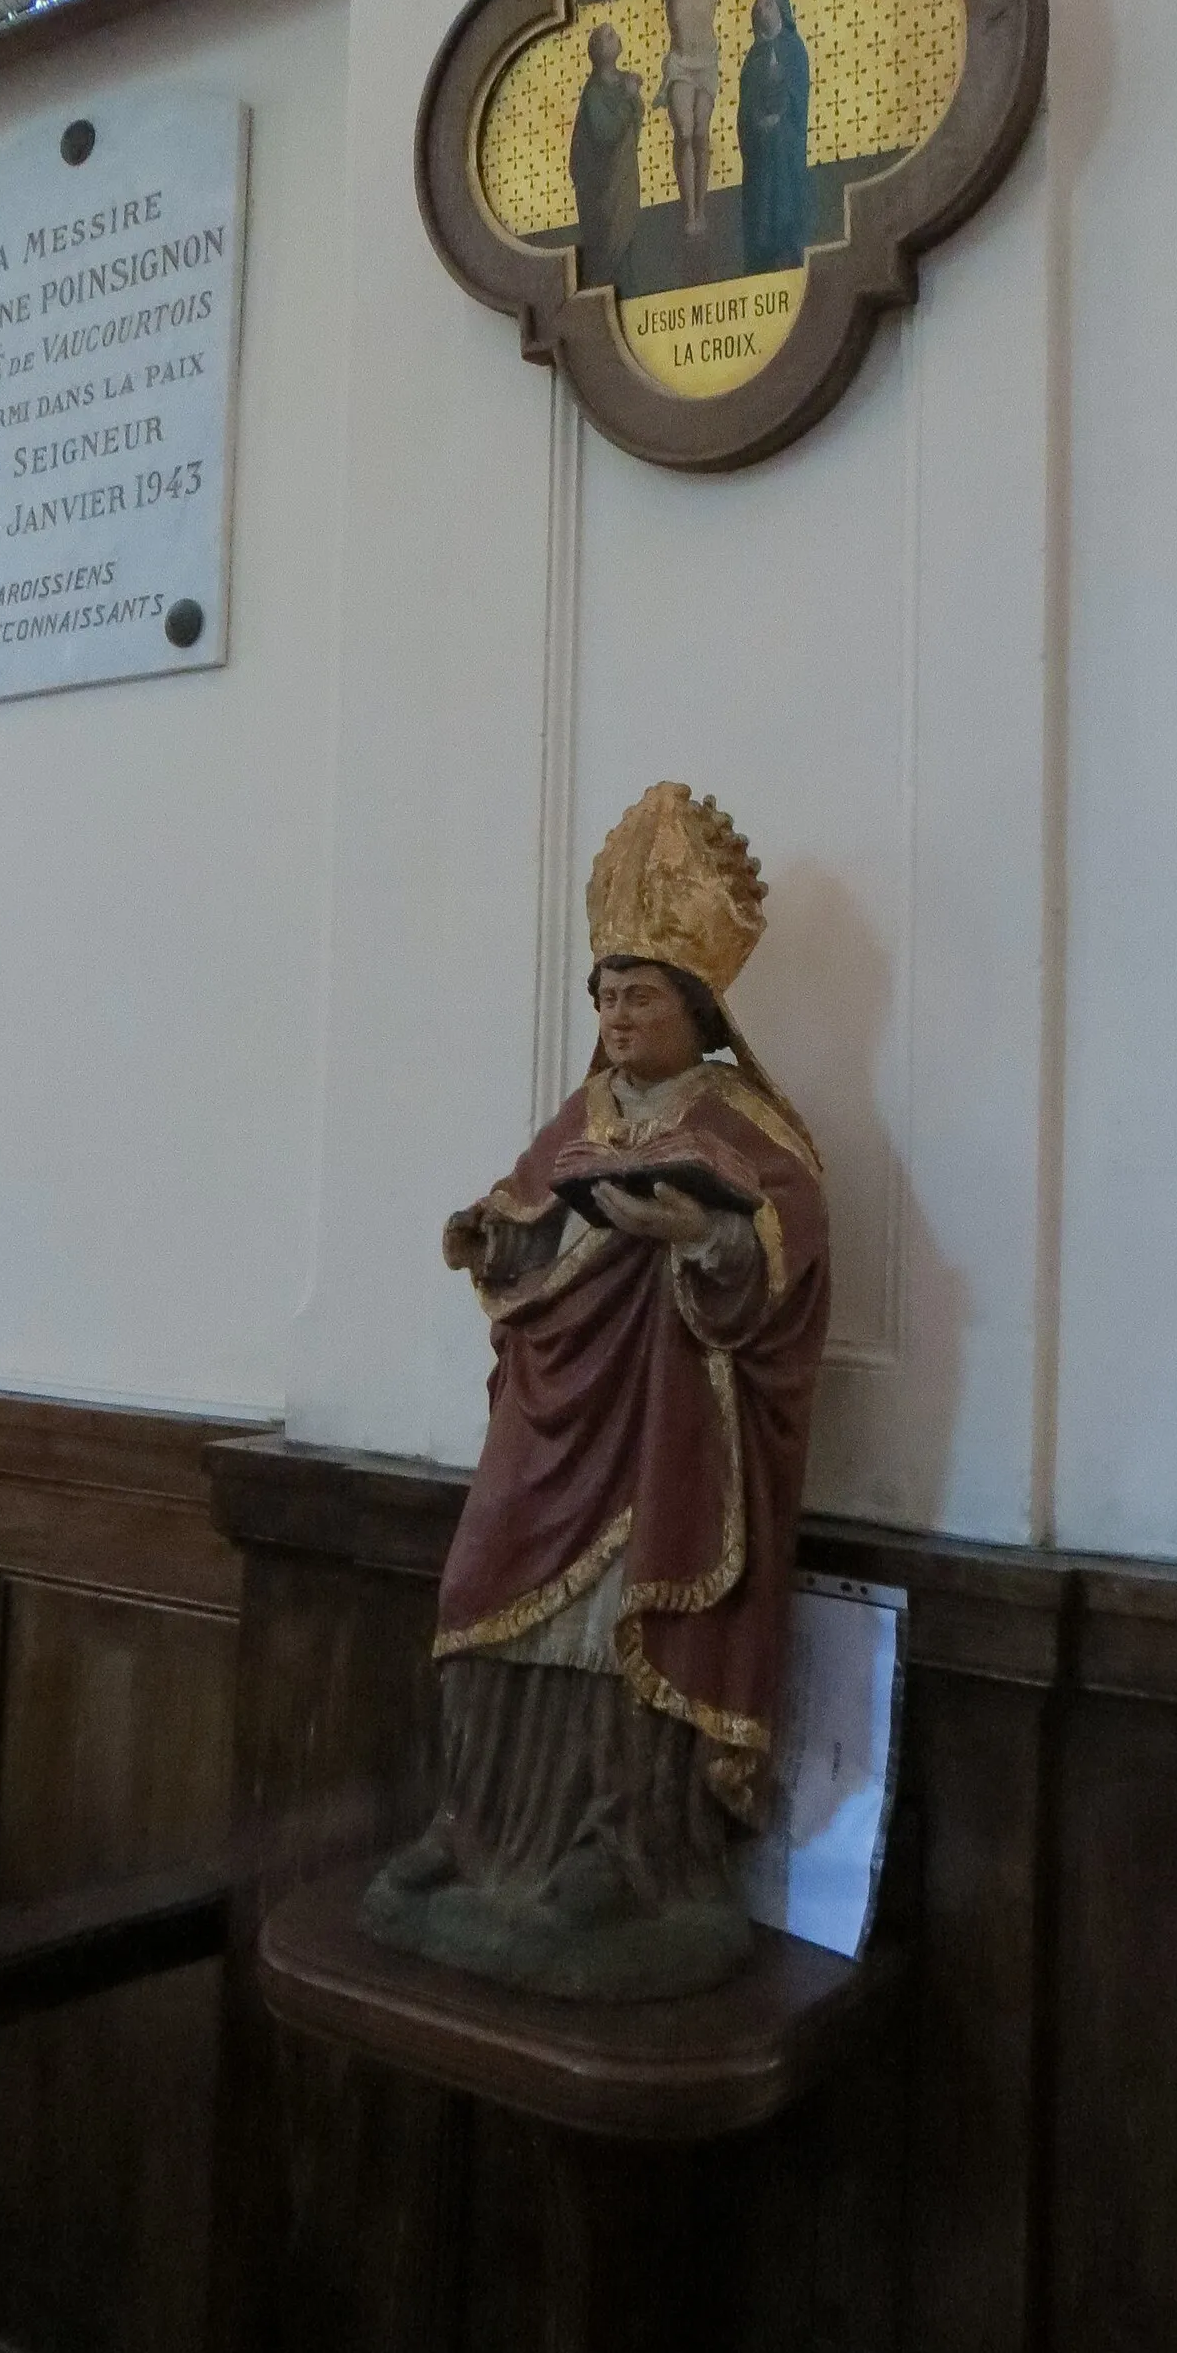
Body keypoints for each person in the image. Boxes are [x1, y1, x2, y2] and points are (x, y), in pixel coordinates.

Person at [362, 785, 831, 2001]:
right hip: (552, 1419)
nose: (618, 1018)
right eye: (606, 997)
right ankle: (475, 1826)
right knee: (484, 1584)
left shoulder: (744, 1122)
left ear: (698, 1010)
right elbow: (528, 1225)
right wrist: (488, 1238)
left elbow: (780, 1258)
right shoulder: (581, 1117)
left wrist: (704, 1239)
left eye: (642, 998)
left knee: (632, 1618)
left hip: (663, 1426)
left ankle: (620, 1851)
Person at [579, 0, 825, 240]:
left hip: (706, 61)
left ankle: (702, 207)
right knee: (682, 131)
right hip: (680, 63)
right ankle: (689, 211)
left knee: (700, 133)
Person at [737, 0, 813, 274]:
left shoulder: (793, 48)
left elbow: (798, 92)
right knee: (759, 200)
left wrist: (779, 117)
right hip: (759, 145)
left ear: (781, 9)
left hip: (785, 141)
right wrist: (757, 120)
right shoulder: (753, 57)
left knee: (784, 192)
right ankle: (762, 253)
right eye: (757, 8)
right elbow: (745, 103)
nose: (760, 10)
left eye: (767, 5)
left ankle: (786, 248)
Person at [568, 23, 645, 293]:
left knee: (628, 234)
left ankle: (629, 288)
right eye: (609, 36)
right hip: (604, 183)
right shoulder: (594, 93)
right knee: (610, 241)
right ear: (599, 51)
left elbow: (636, 117)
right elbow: (605, 132)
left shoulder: (621, 80)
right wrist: (628, 97)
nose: (617, 37)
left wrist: (633, 96)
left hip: (624, 175)